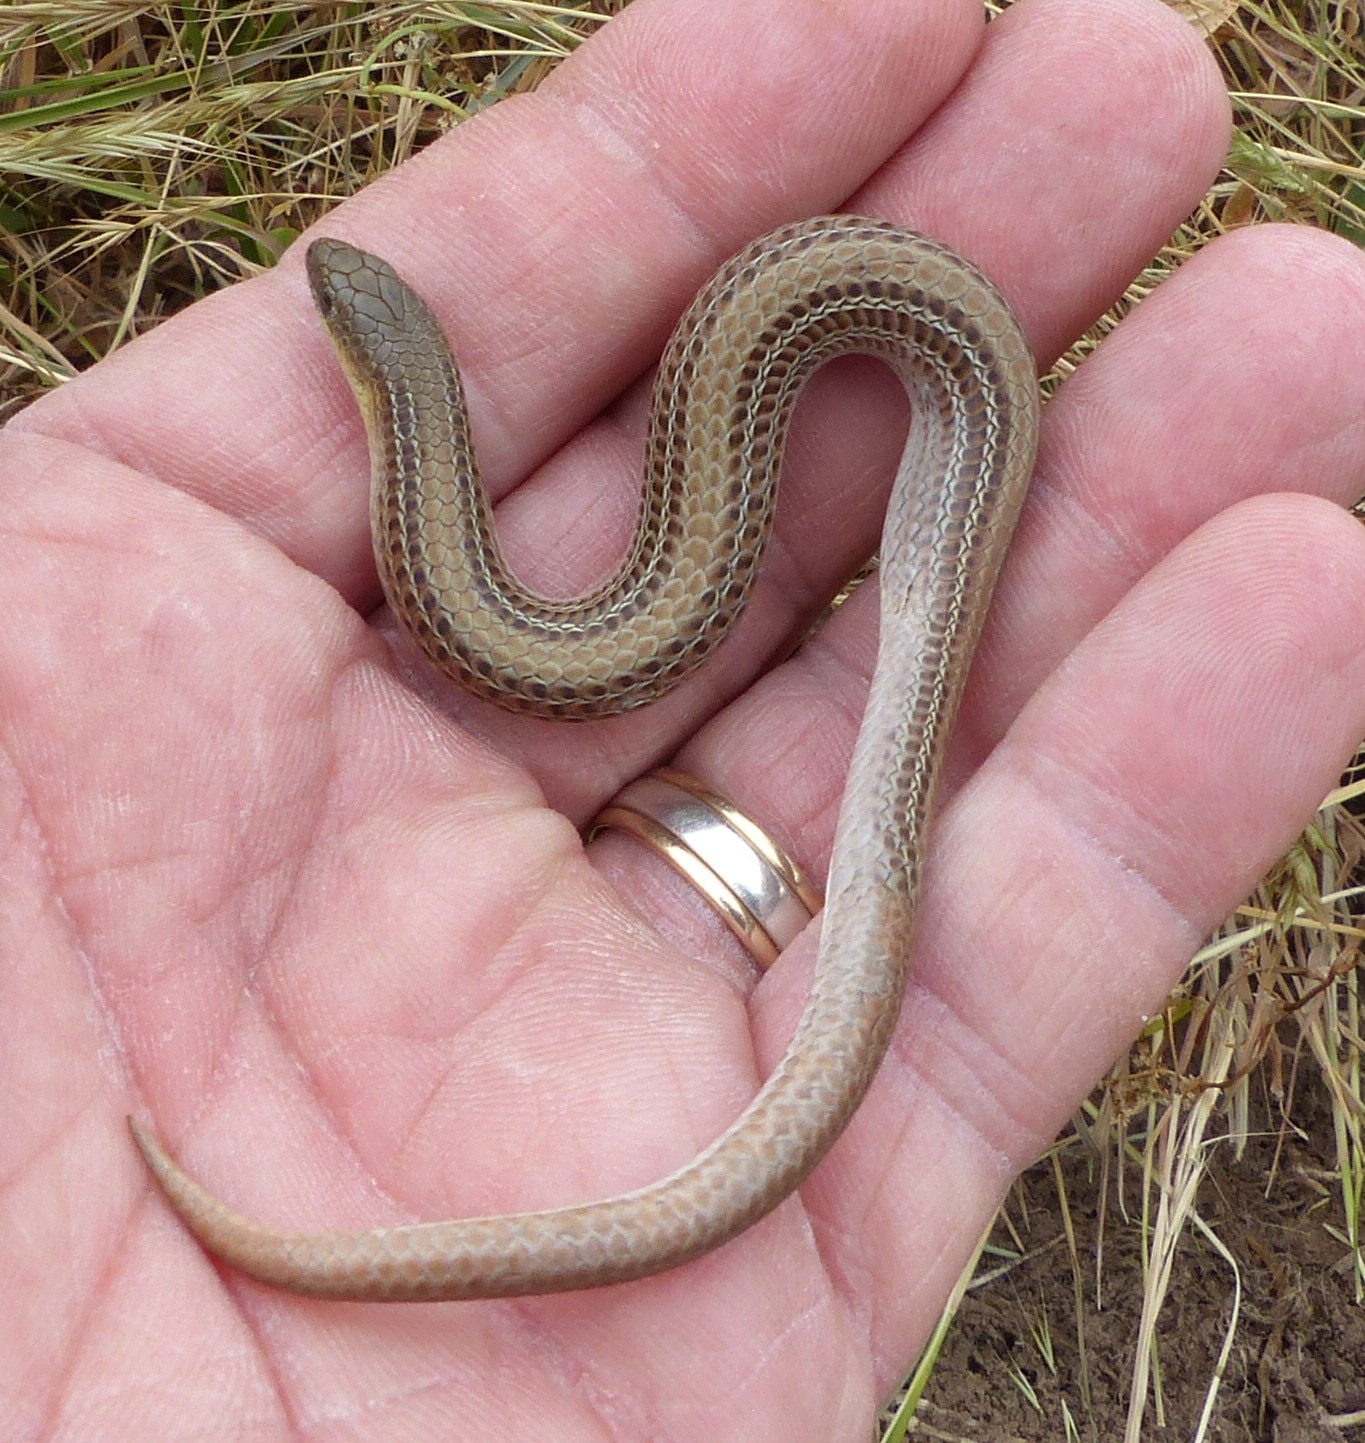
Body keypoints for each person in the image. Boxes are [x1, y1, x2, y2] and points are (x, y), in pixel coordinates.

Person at [4, 0, 1364, 1437]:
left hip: (939, 391)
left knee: (923, 669)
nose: (329, 302)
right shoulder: (448, 539)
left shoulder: (463, 510)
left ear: (368, 369)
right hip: (707, 529)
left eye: (335, 317)